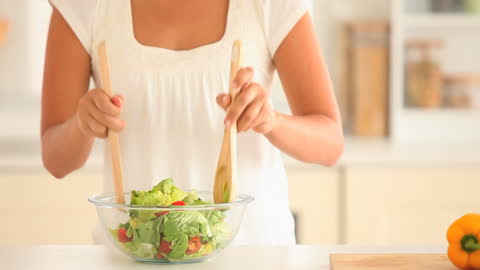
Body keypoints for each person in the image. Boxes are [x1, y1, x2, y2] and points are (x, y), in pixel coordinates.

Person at [41, 0, 344, 245]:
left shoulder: (268, 5)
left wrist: (271, 121)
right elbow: (56, 159)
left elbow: (330, 143)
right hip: (135, 254)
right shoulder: (83, 6)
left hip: (255, 254)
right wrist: (82, 124)